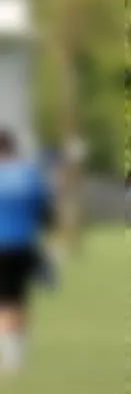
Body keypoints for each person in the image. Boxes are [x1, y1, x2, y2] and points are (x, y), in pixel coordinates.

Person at [0, 129, 51, 376]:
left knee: (5, 302)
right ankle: (16, 355)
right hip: (23, 245)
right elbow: (45, 212)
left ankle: (10, 357)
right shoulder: (29, 176)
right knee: (18, 300)